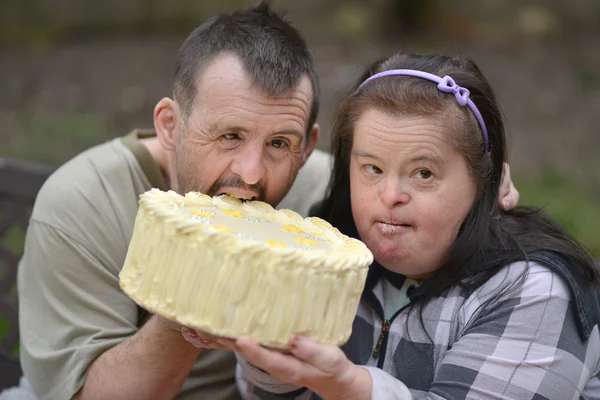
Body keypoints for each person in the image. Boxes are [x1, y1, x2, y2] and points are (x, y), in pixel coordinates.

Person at [8, 3, 519, 400]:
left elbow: (405, 197)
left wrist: (476, 188)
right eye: (229, 135)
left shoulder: (319, 190)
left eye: (279, 144)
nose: (251, 174)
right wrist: (191, 295)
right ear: (170, 125)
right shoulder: (81, 205)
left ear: (307, 147)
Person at [226, 51, 600, 400]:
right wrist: (268, 353)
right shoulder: (330, 262)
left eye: (423, 173)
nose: (390, 195)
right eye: (372, 168)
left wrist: (352, 388)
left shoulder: (531, 291)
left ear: (485, 183)